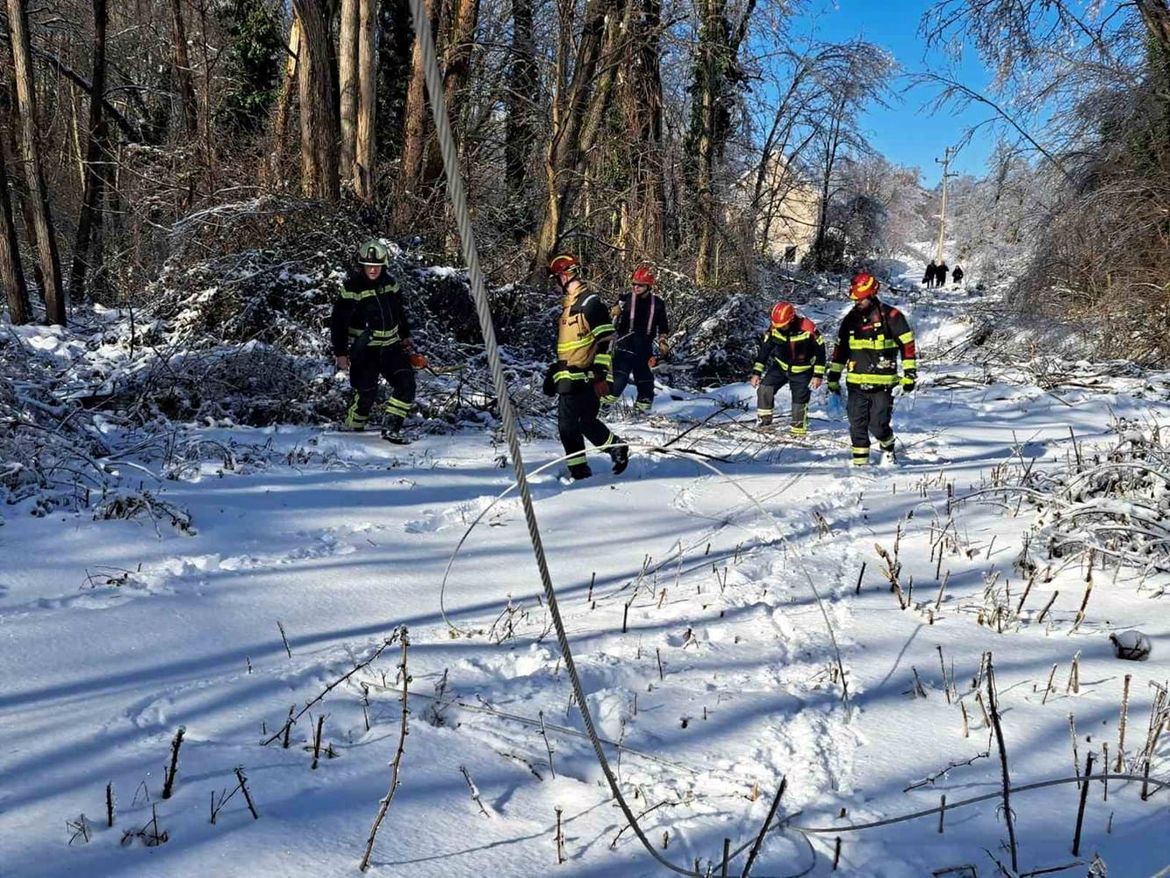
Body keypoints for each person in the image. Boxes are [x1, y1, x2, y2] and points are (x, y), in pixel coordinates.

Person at [331, 239, 427, 443]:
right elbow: (338, 322)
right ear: (362, 265)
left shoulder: (390, 284)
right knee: (366, 393)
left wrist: (405, 336)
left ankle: (392, 428)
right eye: (368, 265)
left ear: (383, 265)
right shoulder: (351, 288)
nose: (372, 269)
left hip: (391, 347)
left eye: (376, 265)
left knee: (406, 384)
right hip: (365, 350)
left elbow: (399, 312)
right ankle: (352, 428)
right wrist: (341, 353)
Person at [548, 254, 629, 481]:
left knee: (575, 424)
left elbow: (605, 340)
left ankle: (592, 464)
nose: (556, 283)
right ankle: (606, 454)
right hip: (568, 376)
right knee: (576, 424)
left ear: (564, 275)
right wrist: (554, 371)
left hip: (589, 377)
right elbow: (570, 346)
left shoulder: (591, 304)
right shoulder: (568, 308)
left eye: (557, 277)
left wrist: (601, 375)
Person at [827, 273, 917, 466]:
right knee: (857, 425)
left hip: (883, 384)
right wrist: (833, 376)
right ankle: (861, 465)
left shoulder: (892, 317)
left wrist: (910, 375)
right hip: (856, 384)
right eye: (855, 299)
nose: (857, 302)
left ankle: (888, 445)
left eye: (861, 299)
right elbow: (840, 349)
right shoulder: (850, 320)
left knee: (877, 425)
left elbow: (907, 346)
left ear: (872, 295)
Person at [750, 301, 826, 436]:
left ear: (791, 319)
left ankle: (798, 432)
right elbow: (765, 350)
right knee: (764, 389)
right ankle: (764, 422)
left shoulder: (807, 328)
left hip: (802, 370)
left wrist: (818, 375)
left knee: (799, 403)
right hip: (780, 367)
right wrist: (756, 373)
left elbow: (820, 351)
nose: (779, 328)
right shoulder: (774, 328)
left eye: (782, 325)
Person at [603, 265, 670, 415]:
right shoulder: (624, 300)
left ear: (648, 286)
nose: (636, 287)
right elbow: (607, 322)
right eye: (634, 284)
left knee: (646, 384)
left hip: (644, 350)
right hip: (624, 348)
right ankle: (601, 412)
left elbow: (663, 325)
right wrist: (613, 312)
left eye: (640, 285)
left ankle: (640, 416)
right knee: (617, 382)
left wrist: (663, 340)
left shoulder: (657, 304)